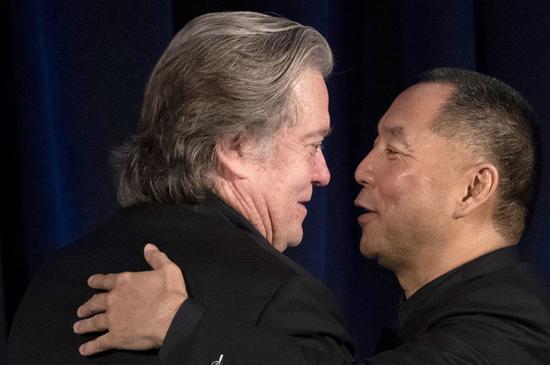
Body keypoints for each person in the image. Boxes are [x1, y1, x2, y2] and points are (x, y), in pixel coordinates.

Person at [73, 68, 550, 364]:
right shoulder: (452, 311)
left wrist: (179, 325)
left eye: (393, 151)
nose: (358, 170)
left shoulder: (516, 324)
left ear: (475, 188)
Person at [7, 11, 354, 364]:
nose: (323, 173)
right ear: (236, 147)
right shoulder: (285, 300)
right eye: (312, 145)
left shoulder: (54, 282)